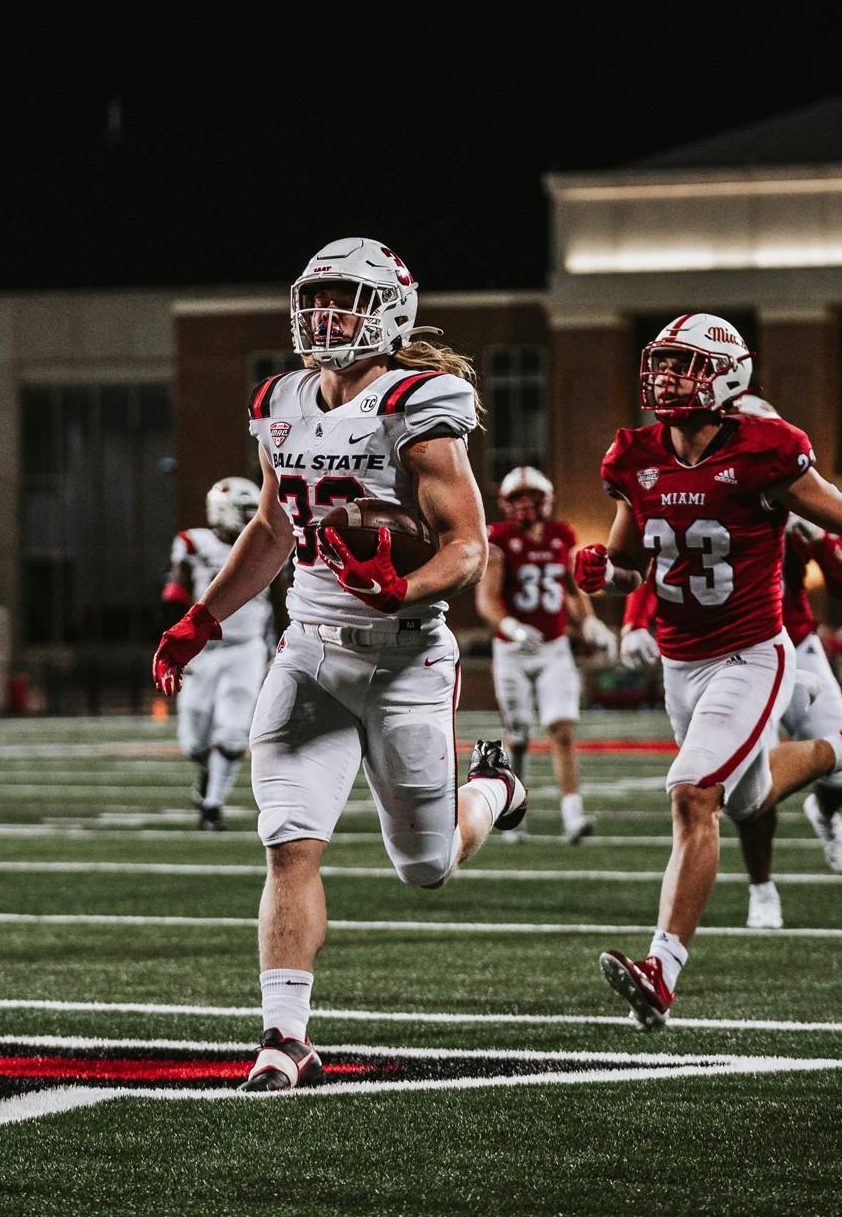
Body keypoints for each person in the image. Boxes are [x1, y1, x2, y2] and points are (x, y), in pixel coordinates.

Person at [153, 237, 526, 1092]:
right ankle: (284, 1037)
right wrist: (201, 618)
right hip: (309, 655)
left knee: (426, 865)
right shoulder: (281, 398)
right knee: (289, 845)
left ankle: (496, 788)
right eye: (316, 298)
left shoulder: (420, 402)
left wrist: (402, 586)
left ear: (389, 312)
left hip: (405, 661)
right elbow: (274, 530)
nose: (325, 317)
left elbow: (469, 547)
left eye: (346, 301)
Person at [573, 312, 842, 1032]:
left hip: (750, 652)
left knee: (692, 795)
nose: (667, 378)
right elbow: (628, 567)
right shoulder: (635, 455)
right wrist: (599, 574)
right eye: (664, 363)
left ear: (728, 376)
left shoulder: (766, 450)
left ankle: (661, 969)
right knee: (747, 799)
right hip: (681, 663)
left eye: (685, 366)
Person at [476, 465, 617, 845]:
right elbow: (487, 601)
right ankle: (512, 815)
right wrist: (511, 628)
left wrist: (588, 623)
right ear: (506, 504)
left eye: (531, 499)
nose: (525, 507)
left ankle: (573, 815)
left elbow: (572, 590)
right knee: (518, 735)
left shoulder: (560, 536)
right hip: (513, 650)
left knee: (562, 730)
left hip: (554, 647)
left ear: (545, 501)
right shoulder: (499, 539)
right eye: (517, 500)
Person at [165, 477, 275, 830]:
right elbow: (174, 593)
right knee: (193, 743)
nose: (250, 516)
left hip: (247, 648)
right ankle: (206, 772)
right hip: (203, 651)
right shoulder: (194, 543)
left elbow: (283, 599)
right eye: (244, 510)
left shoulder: (268, 544)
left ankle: (212, 807)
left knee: (232, 733)